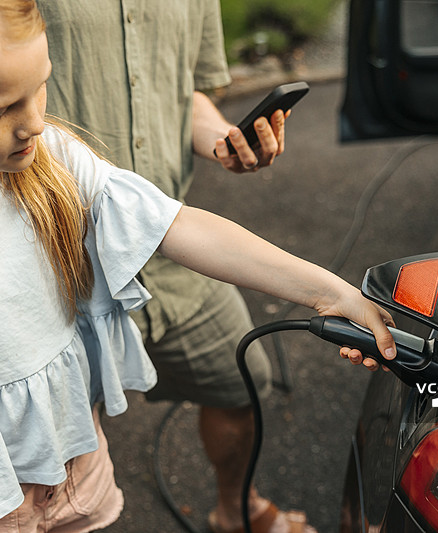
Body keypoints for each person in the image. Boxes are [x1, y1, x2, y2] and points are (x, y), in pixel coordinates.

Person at [0, 1, 396, 532]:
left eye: (41, 87)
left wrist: (327, 291)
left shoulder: (53, 161)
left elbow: (183, 227)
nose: (35, 124)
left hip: (78, 462)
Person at [35, 3, 308, 531]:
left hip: (170, 248)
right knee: (47, 455)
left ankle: (237, 510)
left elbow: (185, 92)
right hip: (56, 261)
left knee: (242, 379)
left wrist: (224, 140)